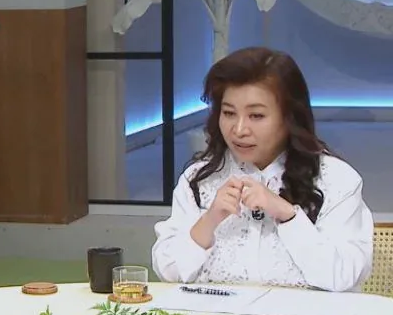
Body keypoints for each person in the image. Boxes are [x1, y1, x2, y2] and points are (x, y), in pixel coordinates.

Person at [151, 47, 373, 292]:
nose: (239, 130)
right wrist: (210, 219)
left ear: (289, 118)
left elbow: (343, 277)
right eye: (229, 113)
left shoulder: (337, 180)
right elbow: (168, 272)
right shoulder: (199, 179)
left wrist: (287, 215)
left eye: (256, 116)